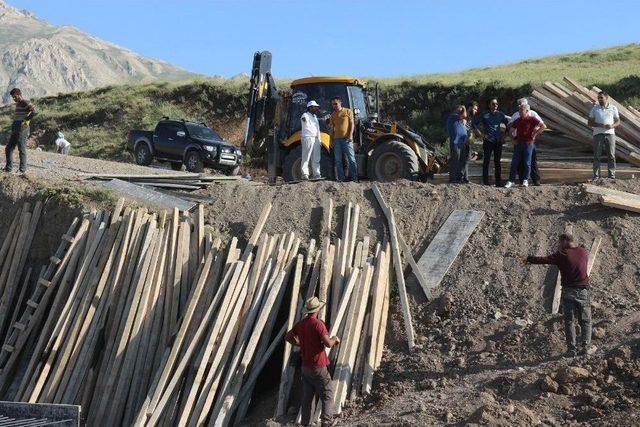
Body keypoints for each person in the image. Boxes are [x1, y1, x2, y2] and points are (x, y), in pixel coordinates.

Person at [525, 234, 594, 357]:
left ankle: (572, 350)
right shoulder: (584, 251)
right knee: (585, 320)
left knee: (569, 321)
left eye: (559, 243)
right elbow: (582, 254)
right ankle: (586, 347)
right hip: (583, 291)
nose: (558, 245)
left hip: (568, 292)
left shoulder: (561, 255)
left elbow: (543, 260)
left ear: (564, 241)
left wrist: (529, 258)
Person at [286, 297, 340, 427]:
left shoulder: (301, 324)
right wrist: (335, 339)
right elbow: (327, 344)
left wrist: (300, 344)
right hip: (318, 365)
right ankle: (326, 422)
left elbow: (288, 337)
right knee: (327, 392)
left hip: (306, 367)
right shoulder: (318, 324)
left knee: (307, 396)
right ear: (318, 310)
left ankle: (305, 423)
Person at [504, 102, 546, 188]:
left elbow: (543, 126)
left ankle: (525, 180)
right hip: (519, 143)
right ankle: (511, 181)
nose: (519, 111)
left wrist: (535, 134)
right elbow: (511, 130)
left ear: (526, 110)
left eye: (521, 109)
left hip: (528, 144)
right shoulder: (517, 120)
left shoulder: (532, 118)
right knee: (515, 162)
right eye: (519, 109)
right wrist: (512, 139)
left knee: (527, 163)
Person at [473, 98, 509, 186]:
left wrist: (504, 136)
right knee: (487, 161)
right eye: (493, 104)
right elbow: (474, 124)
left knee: (497, 161)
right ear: (489, 105)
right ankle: (486, 182)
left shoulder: (500, 114)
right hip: (488, 141)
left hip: (498, 141)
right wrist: (481, 135)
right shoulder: (485, 114)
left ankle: (498, 182)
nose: (495, 105)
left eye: (496, 104)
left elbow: (509, 125)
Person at [588, 91, 620, 180]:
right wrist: (599, 125)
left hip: (610, 134)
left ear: (606, 98)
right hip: (598, 134)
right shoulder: (595, 108)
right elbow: (589, 122)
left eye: (601, 98)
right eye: (598, 98)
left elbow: (618, 121)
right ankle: (596, 176)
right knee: (597, 155)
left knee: (611, 155)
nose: (599, 99)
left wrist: (612, 126)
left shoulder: (613, 108)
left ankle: (612, 176)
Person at [4, 88, 36, 174]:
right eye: (13, 97)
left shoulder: (25, 102)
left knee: (21, 148)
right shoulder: (18, 104)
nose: (14, 99)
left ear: (19, 95)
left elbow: (34, 112)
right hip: (16, 126)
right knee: (9, 148)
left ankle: (22, 170)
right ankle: (8, 168)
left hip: (23, 128)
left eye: (14, 97)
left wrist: (26, 120)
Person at [328, 97, 357, 182]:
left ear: (340, 103)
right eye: (333, 104)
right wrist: (331, 140)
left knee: (351, 159)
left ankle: (354, 178)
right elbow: (331, 129)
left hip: (347, 139)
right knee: (338, 160)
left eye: (336, 103)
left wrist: (350, 136)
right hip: (337, 140)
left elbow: (352, 125)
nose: (334, 105)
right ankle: (341, 179)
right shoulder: (333, 115)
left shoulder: (348, 111)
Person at [300, 100, 322, 180]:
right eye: (314, 107)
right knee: (306, 157)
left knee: (316, 158)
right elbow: (303, 119)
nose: (316, 108)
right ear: (310, 107)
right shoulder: (305, 115)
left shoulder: (315, 117)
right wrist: (304, 120)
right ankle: (305, 174)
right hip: (308, 137)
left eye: (316, 107)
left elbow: (317, 129)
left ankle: (316, 174)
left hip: (316, 139)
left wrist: (319, 139)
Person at [446, 105, 468, 183]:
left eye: (462, 109)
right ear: (456, 109)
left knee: (462, 161)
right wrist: (464, 107)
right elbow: (464, 115)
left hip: (462, 143)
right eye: (460, 108)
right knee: (455, 160)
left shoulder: (460, 120)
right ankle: (453, 178)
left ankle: (460, 178)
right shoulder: (453, 116)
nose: (461, 110)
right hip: (455, 142)